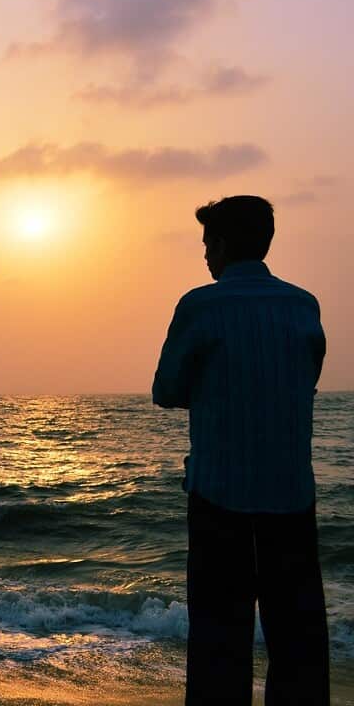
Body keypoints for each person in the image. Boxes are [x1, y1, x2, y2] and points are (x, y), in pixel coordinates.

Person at [153, 195, 328, 704]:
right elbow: (306, 377)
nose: (205, 256)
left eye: (208, 244)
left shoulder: (201, 305)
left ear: (224, 245)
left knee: (217, 640)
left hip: (218, 496)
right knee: (298, 643)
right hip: (292, 496)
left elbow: (166, 389)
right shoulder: (303, 305)